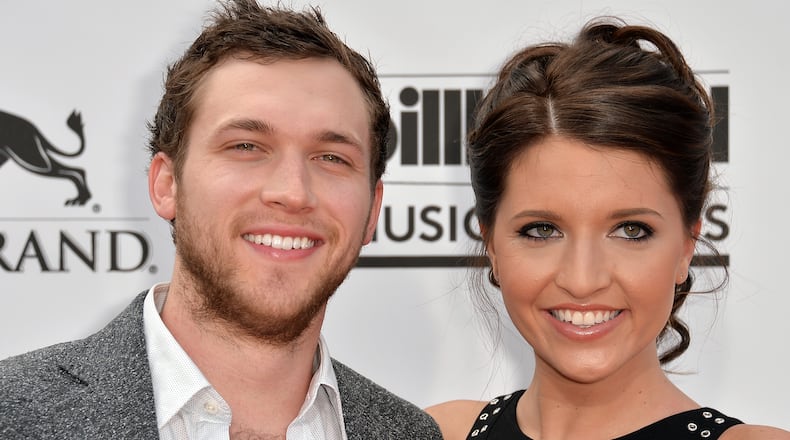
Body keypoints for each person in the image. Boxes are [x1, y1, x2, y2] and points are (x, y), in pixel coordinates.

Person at [0, 1, 441, 439]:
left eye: (331, 157)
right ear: (167, 185)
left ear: (372, 209)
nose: (292, 192)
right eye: (246, 146)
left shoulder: (411, 434)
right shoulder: (14, 412)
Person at [426, 18, 790, 440]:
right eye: (542, 230)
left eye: (631, 230)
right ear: (490, 243)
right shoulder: (438, 432)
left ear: (688, 243)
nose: (583, 280)